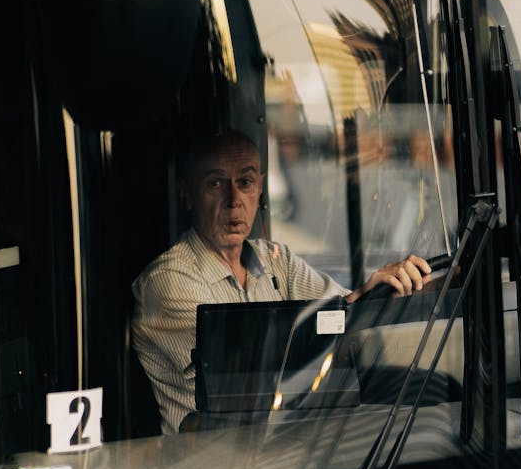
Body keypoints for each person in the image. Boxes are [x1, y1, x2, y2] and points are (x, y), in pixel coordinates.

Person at [132, 130, 433, 434]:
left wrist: (382, 288)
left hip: (284, 441)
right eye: (215, 184)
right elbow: (243, 375)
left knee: (428, 391)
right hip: (213, 459)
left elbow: (340, 316)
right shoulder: (168, 282)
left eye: (245, 183)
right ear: (187, 193)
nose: (233, 200)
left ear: (260, 188)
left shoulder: (276, 260)